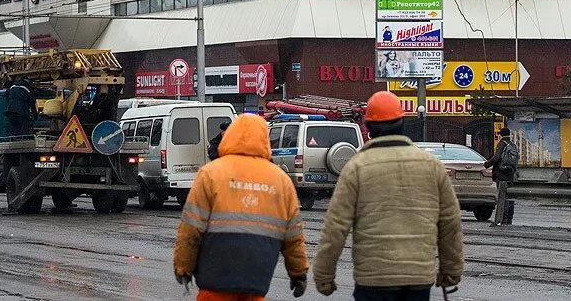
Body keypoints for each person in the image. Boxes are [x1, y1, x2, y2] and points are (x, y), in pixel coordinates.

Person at [313, 91, 463, 301]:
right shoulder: (431, 165)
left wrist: (324, 275)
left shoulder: (357, 167)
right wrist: (450, 271)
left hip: (373, 279)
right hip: (417, 278)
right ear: (402, 122)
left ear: (370, 127)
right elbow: (450, 222)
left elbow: (335, 226)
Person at [173, 113, 309, 301]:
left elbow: (191, 228)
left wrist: (183, 266)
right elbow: (293, 235)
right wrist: (298, 272)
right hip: (256, 277)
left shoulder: (211, 174)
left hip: (216, 276)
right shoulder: (281, 181)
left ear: (230, 135)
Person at [484, 127, 519, 226]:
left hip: (501, 172)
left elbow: (496, 158)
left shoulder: (502, 143)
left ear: (500, 134)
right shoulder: (513, 145)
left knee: (502, 196)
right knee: (509, 196)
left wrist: (487, 164)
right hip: (510, 173)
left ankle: (501, 219)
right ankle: (509, 219)